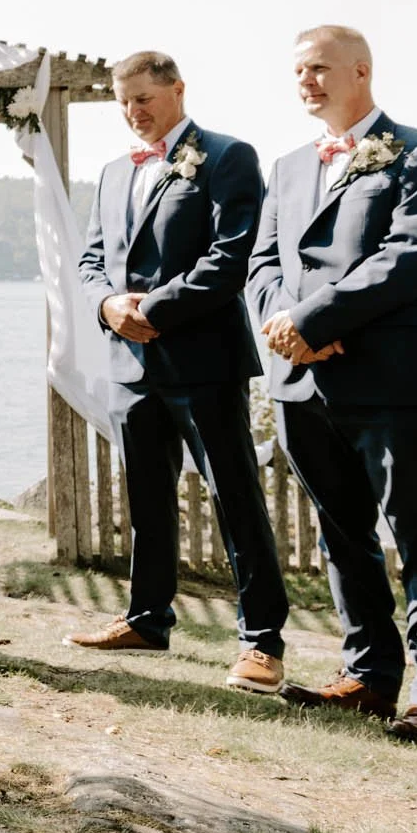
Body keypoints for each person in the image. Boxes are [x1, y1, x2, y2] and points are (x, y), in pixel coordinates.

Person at [248, 25, 417, 746]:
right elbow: (261, 265)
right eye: (298, 71)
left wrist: (318, 317)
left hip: (391, 378)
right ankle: (369, 676)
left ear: (361, 71)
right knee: (341, 535)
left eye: (319, 69)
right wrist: (286, 324)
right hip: (300, 380)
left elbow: (411, 253)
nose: (306, 81)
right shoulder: (286, 166)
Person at [70, 51, 289, 694]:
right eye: (123, 102)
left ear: (176, 90)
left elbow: (233, 255)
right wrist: (109, 305)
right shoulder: (113, 173)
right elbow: (90, 261)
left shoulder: (226, 156)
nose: (134, 113)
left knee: (234, 496)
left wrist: (154, 308)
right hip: (129, 362)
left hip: (204, 360)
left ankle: (261, 642)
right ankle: (146, 619)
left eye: (144, 99)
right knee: (146, 497)